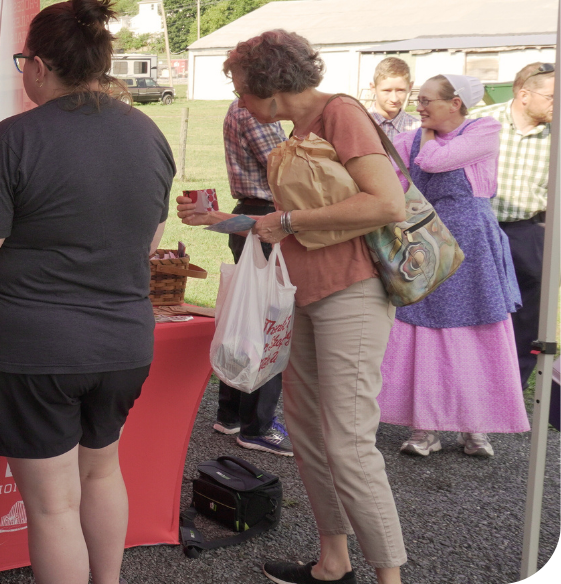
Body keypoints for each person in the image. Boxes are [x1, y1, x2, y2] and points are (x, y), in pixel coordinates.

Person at [0, 0, 174, 584]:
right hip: (124, 342)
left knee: (52, 506)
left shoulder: (14, 138)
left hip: (35, 348)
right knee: (101, 474)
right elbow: (148, 244)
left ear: (39, 66)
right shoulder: (149, 135)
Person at [178, 30, 407, 584]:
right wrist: (219, 222)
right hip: (302, 297)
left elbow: (386, 202)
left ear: (268, 86)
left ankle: (389, 577)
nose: (236, 98)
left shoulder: (340, 115)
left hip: (350, 293)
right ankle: (334, 562)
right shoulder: (298, 131)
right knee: (306, 431)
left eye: (238, 85)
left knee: (348, 442)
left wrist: (286, 221)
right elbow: (283, 228)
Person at [377, 74, 527, 458]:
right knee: (422, 333)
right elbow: (384, 176)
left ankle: (474, 426)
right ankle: (423, 427)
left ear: (455, 103)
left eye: (426, 100)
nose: (418, 107)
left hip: (473, 246)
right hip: (425, 245)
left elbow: (434, 161)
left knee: (476, 331)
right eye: (418, 100)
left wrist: (424, 138)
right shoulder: (408, 138)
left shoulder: (483, 131)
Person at [208, 99, 292, 456]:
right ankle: (256, 425)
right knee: (267, 321)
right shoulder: (252, 109)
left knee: (245, 318)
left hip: (253, 213)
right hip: (263, 216)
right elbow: (285, 170)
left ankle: (231, 414)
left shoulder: (247, 108)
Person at [471, 61, 554, 387]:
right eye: (550, 96)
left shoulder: (555, 134)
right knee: (477, 310)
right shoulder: (480, 123)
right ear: (523, 94)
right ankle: (469, 386)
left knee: (528, 317)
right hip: (481, 231)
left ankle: (510, 390)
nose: (555, 103)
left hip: (529, 232)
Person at [369, 57, 419, 138]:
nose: (394, 99)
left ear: (410, 87)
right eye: (387, 91)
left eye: (400, 90)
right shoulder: (358, 123)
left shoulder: (417, 129)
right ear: (373, 88)